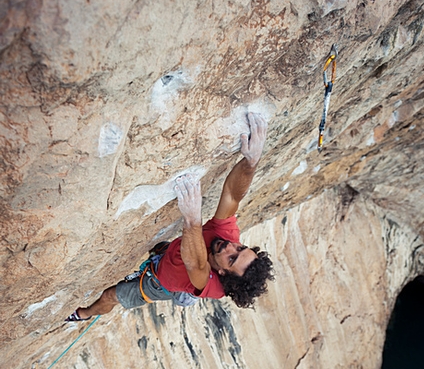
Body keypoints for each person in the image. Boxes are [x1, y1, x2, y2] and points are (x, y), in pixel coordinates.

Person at [65, 112, 274, 322]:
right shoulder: (227, 239)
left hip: (159, 284)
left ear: (222, 273)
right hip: (173, 260)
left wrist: (192, 219)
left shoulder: (213, 284)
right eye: (240, 248)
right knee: (165, 250)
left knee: (111, 295)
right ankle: (179, 282)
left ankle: (82, 314)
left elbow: (196, 265)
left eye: (232, 258)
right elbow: (231, 195)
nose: (230, 246)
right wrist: (250, 163)